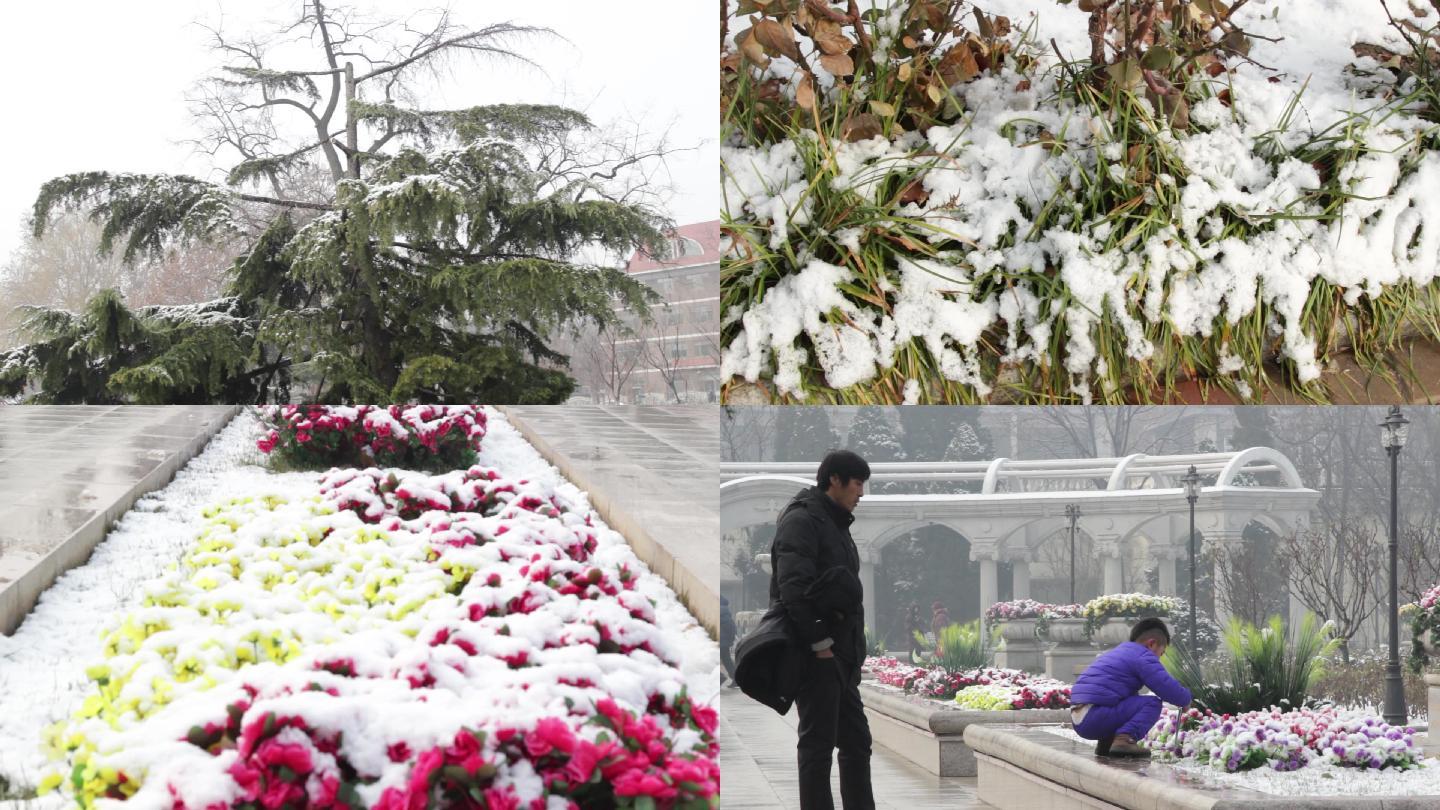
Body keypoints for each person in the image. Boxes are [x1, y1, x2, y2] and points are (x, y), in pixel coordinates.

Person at [770, 449, 875, 810]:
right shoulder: (803, 521)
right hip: (818, 655)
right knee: (817, 748)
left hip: (841, 657)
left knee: (856, 742)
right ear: (835, 480)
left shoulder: (835, 523)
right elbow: (792, 588)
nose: (861, 493)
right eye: (858, 484)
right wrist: (819, 643)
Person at [1069, 617, 1192, 757]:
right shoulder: (1143, 656)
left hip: (1080, 718)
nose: (1159, 658)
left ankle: (1106, 744)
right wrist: (1185, 699)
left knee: (1129, 698)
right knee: (1152, 704)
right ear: (1152, 644)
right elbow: (1165, 686)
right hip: (1095, 716)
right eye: (1161, 653)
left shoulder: (1119, 652)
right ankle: (1124, 741)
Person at [720, 595, 738, 687]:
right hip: (723, 640)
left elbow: (729, 626)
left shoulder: (721, 611)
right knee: (726, 659)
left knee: (724, 659)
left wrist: (729, 638)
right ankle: (736, 678)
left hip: (722, 640)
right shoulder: (723, 610)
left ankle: (720, 677)